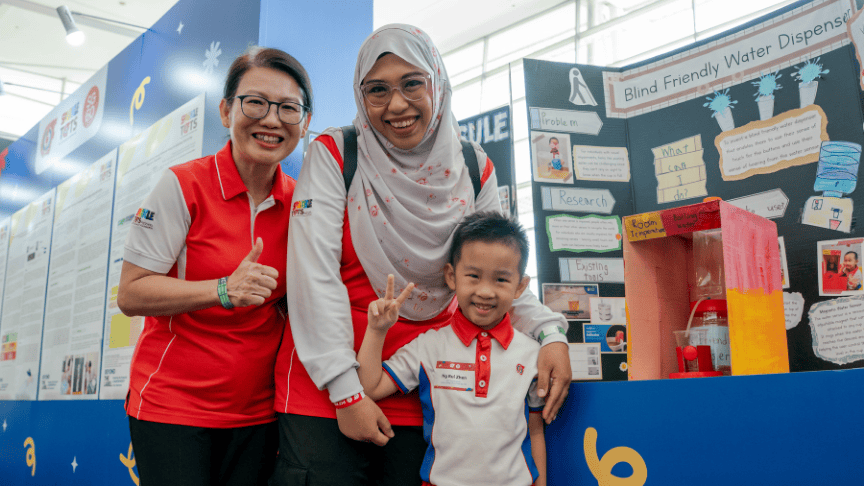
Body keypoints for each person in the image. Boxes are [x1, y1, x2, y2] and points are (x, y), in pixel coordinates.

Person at [274, 24, 570, 485]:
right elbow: (312, 278)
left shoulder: (473, 166)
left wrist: (551, 334)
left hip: (431, 388)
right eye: (377, 90)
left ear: (438, 83)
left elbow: (497, 271)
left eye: (413, 83)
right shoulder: (337, 153)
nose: (396, 104)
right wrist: (346, 391)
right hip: (326, 387)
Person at [116, 46, 312, 486]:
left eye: (288, 108)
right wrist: (222, 289)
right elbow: (131, 293)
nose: (272, 120)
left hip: (258, 414)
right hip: (173, 407)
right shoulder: (183, 185)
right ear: (226, 111)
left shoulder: (302, 203)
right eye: (255, 103)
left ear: (304, 123)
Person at [357, 212, 547, 486]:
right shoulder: (429, 346)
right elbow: (370, 387)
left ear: (520, 287)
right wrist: (376, 331)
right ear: (451, 276)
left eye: (501, 280)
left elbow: (535, 431)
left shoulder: (533, 354)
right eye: (474, 276)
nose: (485, 291)